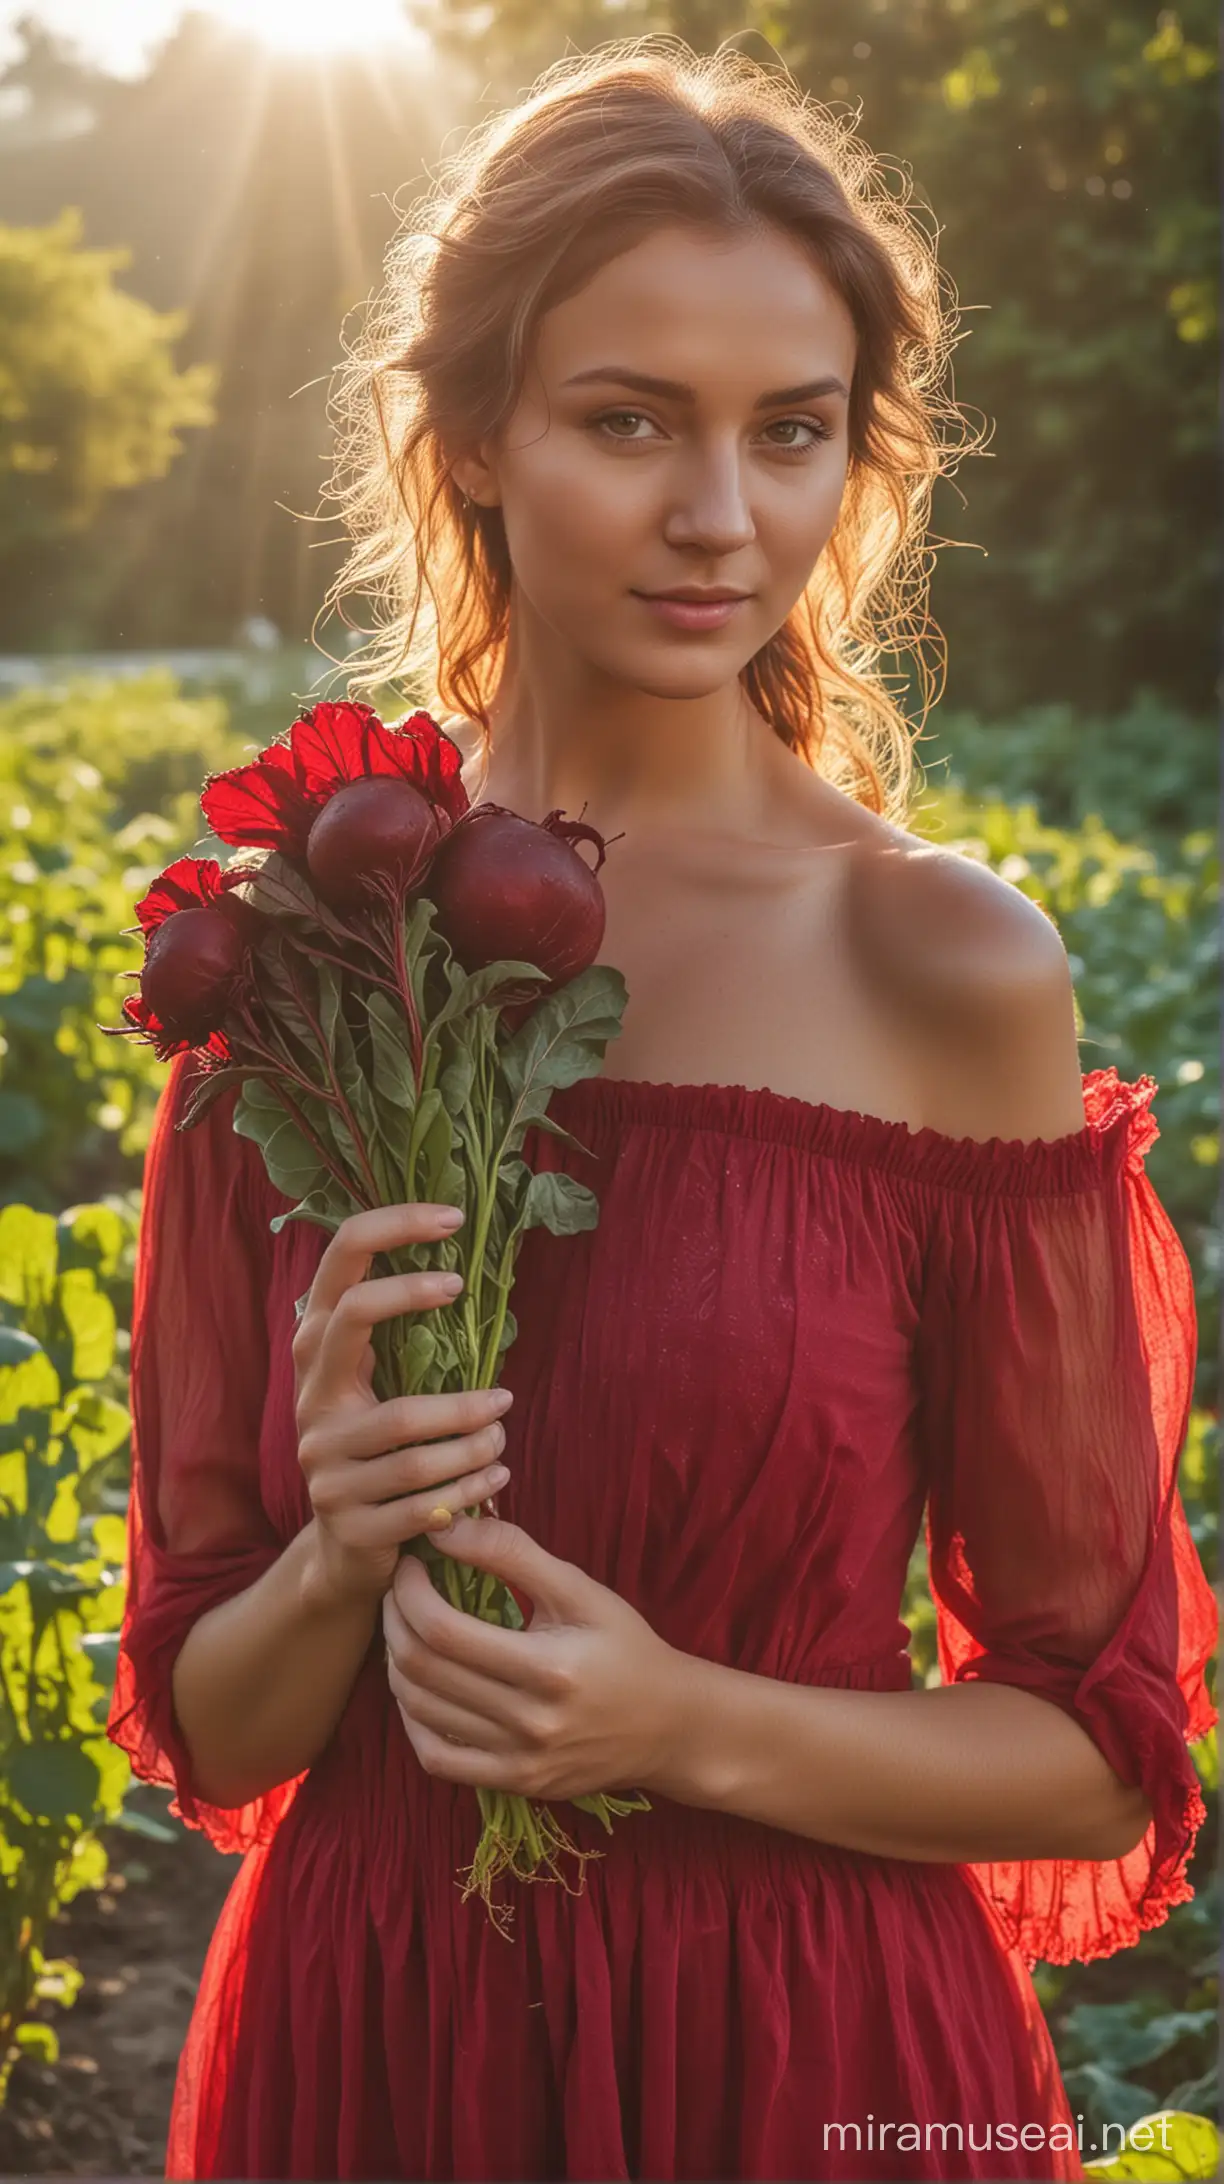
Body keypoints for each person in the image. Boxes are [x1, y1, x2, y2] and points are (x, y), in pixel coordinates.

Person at [108, 38, 1217, 2184]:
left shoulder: (945, 966)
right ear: (478, 441)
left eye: (790, 435)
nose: (724, 518)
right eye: (633, 423)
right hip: (379, 2045)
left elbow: (1093, 1755)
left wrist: (684, 1724)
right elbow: (216, 1717)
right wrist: (340, 1551)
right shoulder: (309, 957)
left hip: (814, 2056)